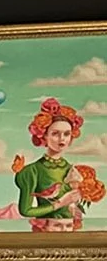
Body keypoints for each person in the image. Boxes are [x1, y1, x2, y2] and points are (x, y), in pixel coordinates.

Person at [12, 98, 106, 230]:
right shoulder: (32, 171)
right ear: (44, 136)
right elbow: (25, 211)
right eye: (55, 134)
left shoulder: (73, 170)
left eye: (66, 134)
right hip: (47, 231)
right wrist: (60, 203)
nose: (62, 139)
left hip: (70, 229)